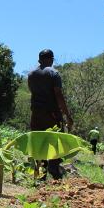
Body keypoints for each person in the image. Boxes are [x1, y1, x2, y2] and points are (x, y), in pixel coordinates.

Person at [28, 49, 73, 180]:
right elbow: (58, 95)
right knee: (54, 142)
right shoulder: (54, 73)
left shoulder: (31, 75)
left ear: (39, 60)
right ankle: (54, 169)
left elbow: (33, 93)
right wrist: (67, 115)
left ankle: (40, 173)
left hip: (36, 113)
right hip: (51, 114)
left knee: (39, 142)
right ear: (52, 59)